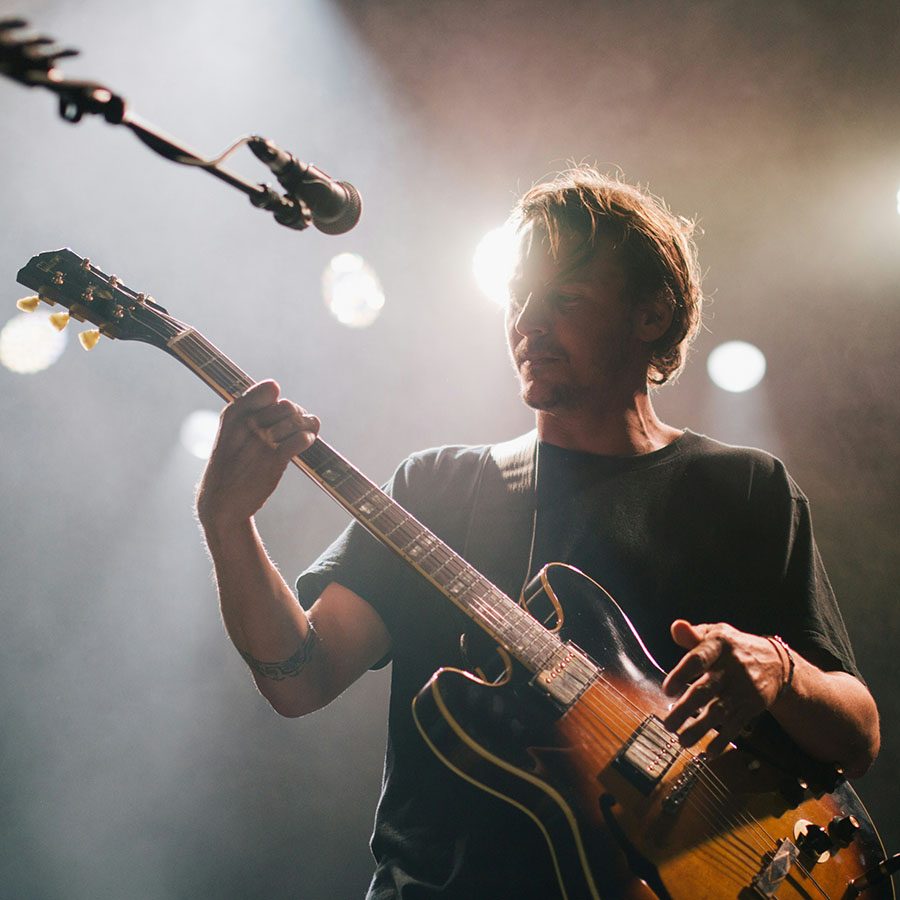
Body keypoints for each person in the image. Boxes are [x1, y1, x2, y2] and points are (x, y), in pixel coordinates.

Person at [195, 168, 881, 899]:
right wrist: (227, 524)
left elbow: (857, 735)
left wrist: (779, 671)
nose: (527, 322)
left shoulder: (746, 490)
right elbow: (300, 680)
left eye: (565, 298)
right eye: (517, 298)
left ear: (652, 313)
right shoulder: (437, 488)